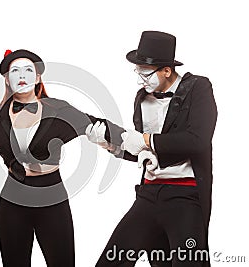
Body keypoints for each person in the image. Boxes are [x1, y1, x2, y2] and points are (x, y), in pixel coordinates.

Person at [0, 49, 127, 267]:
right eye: (15, 71)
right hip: (13, 198)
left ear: (37, 78)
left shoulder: (59, 110)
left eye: (29, 70)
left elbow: (107, 128)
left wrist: (143, 144)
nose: (22, 75)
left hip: (52, 196)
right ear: (7, 79)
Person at [89, 31, 217, 266]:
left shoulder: (199, 88)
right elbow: (143, 151)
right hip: (148, 195)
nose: (140, 80)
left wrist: (147, 140)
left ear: (166, 70)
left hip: (186, 197)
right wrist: (112, 146)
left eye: (145, 74)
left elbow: (197, 140)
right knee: (110, 261)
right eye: (137, 72)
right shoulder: (142, 98)